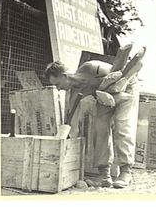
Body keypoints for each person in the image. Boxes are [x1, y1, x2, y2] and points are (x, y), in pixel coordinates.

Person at [43, 59, 140, 188]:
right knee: (99, 128)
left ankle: (125, 172)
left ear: (65, 76)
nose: (59, 89)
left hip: (126, 87)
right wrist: (63, 143)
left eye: (58, 84)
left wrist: (115, 92)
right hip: (105, 97)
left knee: (122, 125)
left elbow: (120, 74)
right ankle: (104, 175)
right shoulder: (73, 94)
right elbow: (71, 124)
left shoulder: (91, 68)